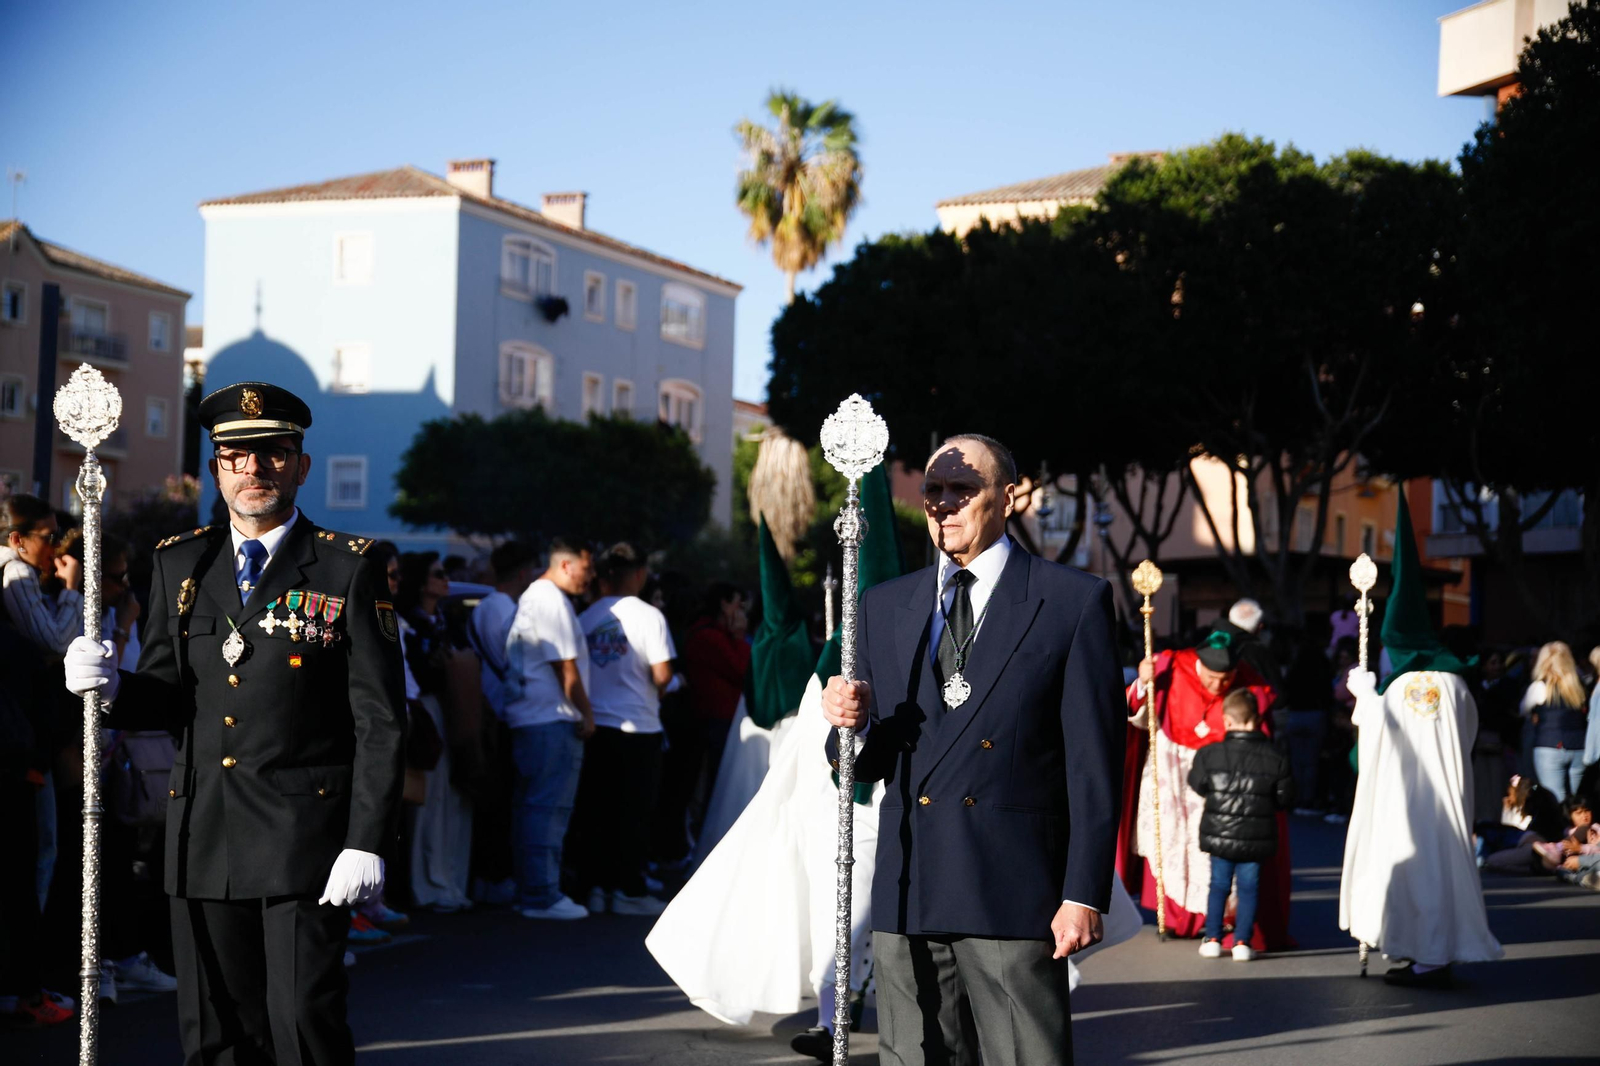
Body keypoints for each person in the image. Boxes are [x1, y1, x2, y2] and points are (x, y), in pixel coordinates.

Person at [61, 380, 405, 1064]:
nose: (254, 469)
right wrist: (109, 686)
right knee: (216, 1033)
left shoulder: (347, 566)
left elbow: (381, 718)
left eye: (273, 453)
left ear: (301, 465)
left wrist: (366, 839)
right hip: (205, 831)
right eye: (236, 456)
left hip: (305, 838)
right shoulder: (180, 562)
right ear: (216, 468)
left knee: (303, 1024)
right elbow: (166, 696)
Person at [820, 434, 1126, 1066]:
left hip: (1013, 886)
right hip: (911, 885)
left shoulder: (1071, 600)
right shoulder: (884, 605)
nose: (944, 503)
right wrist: (849, 723)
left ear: (1008, 498)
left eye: (964, 489)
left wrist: (1083, 893)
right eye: (933, 490)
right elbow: (864, 764)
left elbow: (1094, 765)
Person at [1339, 490, 1501, 989]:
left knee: (1418, 872)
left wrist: (1365, 700)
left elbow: (1377, 742)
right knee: (1439, 870)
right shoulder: (1456, 683)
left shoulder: (1402, 687)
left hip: (1406, 800)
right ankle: (1425, 950)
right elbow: (1465, 731)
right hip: (1447, 794)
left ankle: (1429, 956)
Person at [1120, 627, 1289, 948]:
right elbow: (1138, 710)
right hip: (1171, 773)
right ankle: (1176, 918)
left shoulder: (1247, 680)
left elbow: (1262, 736)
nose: (1217, 686)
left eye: (1226, 680)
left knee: (1216, 855)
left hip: (1224, 780)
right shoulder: (1170, 665)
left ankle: (1219, 921)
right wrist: (1143, 681)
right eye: (1212, 678)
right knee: (1173, 844)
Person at [569, 543, 676, 915]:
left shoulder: (585, 617)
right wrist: (656, 689)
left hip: (595, 725)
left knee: (595, 812)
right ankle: (627, 889)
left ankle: (595, 887)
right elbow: (663, 673)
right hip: (639, 727)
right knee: (634, 813)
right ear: (640, 574)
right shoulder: (649, 616)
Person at [503, 536, 596, 920]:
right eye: (587, 568)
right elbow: (566, 668)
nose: (590, 577)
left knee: (533, 809)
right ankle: (541, 895)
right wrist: (587, 715)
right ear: (566, 565)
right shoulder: (551, 600)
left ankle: (533, 892)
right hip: (550, 720)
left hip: (534, 718)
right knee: (548, 810)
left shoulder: (535, 597)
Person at [1188, 689, 1294, 962]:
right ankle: (1242, 942)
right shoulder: (1276, 757)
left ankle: (1212, 938)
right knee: (1249, 888)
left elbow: (1198, 784)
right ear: (1257, 719)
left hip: (1219, 831)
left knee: (1218, 885)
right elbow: (1284, 798)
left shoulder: (1208, 754)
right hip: (1256, 835)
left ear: (1226, 720)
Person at [398, 552, 475, 914]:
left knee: (450, 799)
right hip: (423, 710)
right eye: (438, 574)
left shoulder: (446, 620)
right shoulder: (407, 623)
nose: (445, 580)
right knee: (427, 802)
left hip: (448, 711)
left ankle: (448, 879)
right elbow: (417, 675)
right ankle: (426, 884)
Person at [465, 540, 538, 904]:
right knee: (501, 802)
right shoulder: (505, 609)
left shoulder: (487, 606)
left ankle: (489, 876)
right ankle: (495, 876)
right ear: (523, 573)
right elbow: (516, 662)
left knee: (495, 801)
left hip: (492, 711)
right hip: (502, 713)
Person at [681, 582, 751, 838]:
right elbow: (743, 670)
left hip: (717, 720)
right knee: (712, 784)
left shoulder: (713, 634)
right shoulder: (709, 636)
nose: (740, 612)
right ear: (724, 604)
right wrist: (739, 637)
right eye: (737, 605)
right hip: (712, 721)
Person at [1, 493, 81, 657]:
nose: (58, 545)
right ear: (17, 540)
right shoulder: (18, 571)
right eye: (50, 537)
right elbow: (56, 643)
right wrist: (71, 588)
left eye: (59, 536)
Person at [1521, 641, 1589, 801]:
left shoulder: (1540, 686)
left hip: (1549, 746)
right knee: (1575, 801)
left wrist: (1535, 715)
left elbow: (1523, 709)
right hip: (1578, 747)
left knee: (1555, 799)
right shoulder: (1579, 686)